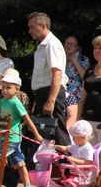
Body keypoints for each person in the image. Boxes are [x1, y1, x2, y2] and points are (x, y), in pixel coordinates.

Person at [0, 72, 42, 187]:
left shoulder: (16, 103)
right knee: (19, 163)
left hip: (12, 138)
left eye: (8, 87)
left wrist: (36, 134)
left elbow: (27, 118)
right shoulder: (3, 101)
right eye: (3, 87)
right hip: (3, 136)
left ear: (17, 89)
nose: (4, 90)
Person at [27, 12, 70, 145]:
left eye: (32, 27)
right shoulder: (43, 45)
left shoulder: (52, 44)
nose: (30, 31)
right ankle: (52, 165)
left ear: (42, 26)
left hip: (51, 93)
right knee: (44, 134)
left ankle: (68, 164)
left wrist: (51, 101)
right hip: (43, 94)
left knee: (58, 132)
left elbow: (57, 73)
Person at [63, 36, 90, 132]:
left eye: (72, 44)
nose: (69, 46)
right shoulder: (59, 57)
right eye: (67, 43)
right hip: (61, 94)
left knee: (74, 123)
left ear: (77, 47)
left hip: (76, 96)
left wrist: (75, 62)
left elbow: (85, 77)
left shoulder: (83, 59)